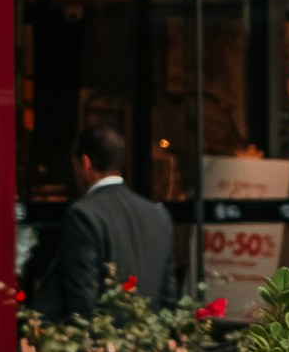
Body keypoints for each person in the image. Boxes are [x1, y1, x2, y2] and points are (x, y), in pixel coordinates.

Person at [37, 122, 182, 313]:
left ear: (85, 163)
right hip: (150, 339)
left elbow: (83, 300)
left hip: (103, 341)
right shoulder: (158, 215)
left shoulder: (83, 214)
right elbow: (169, 298)